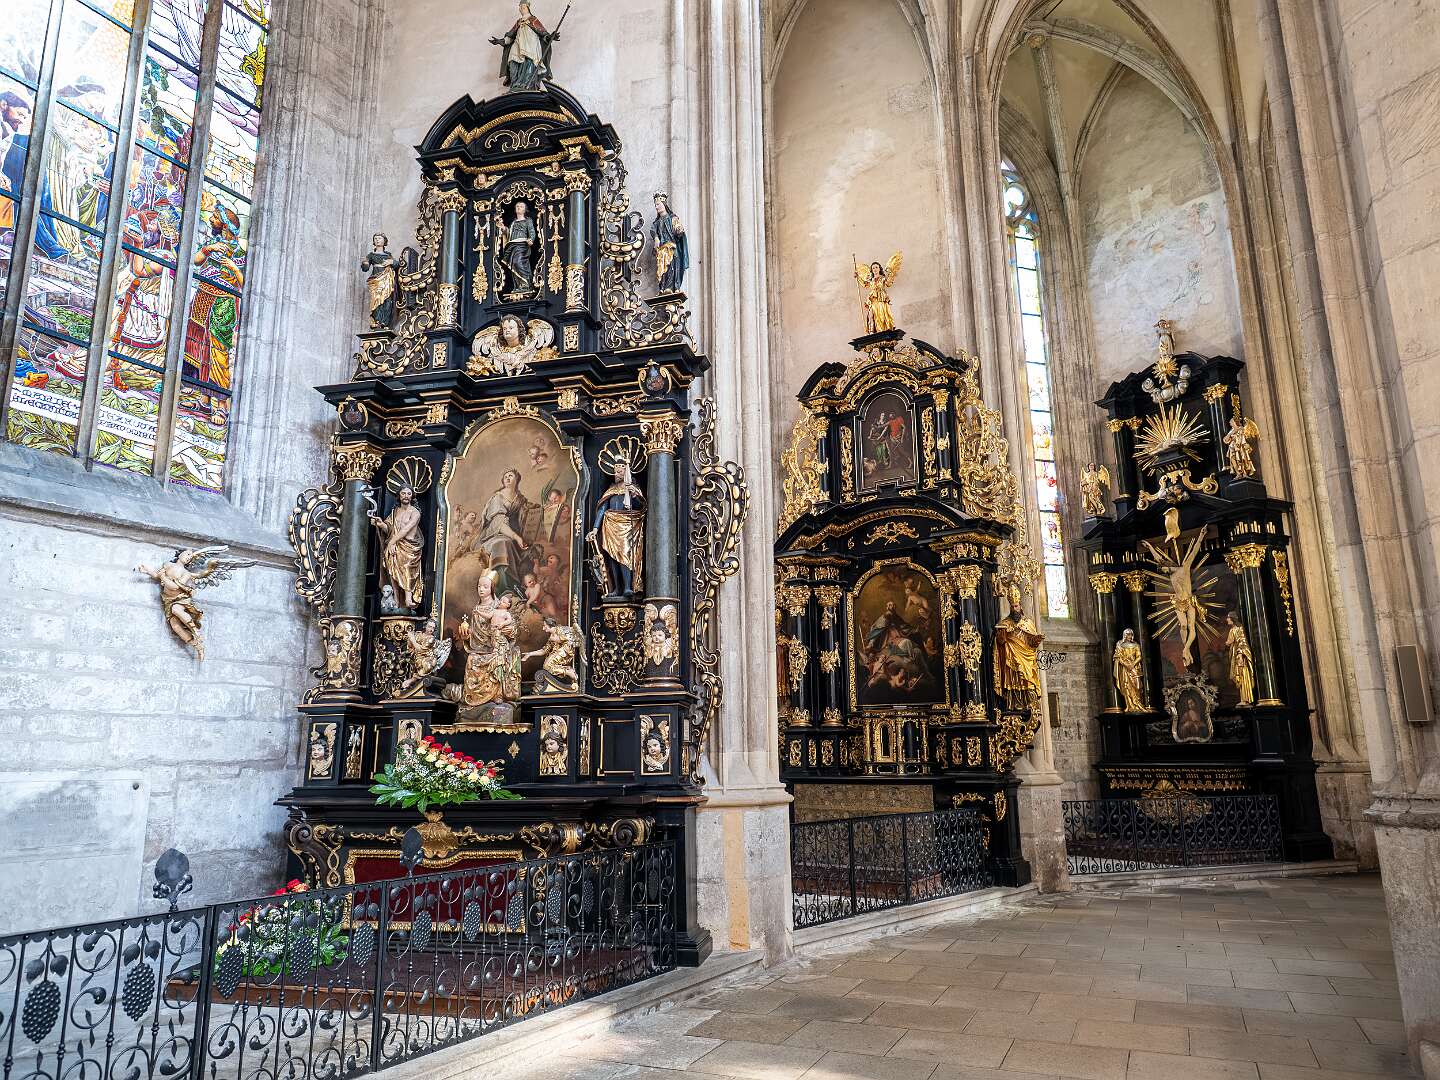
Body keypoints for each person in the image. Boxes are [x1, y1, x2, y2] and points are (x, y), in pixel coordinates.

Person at [589, 460, 646, 596]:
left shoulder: (632, 489)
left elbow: (641, 507)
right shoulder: (611, 490)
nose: (616, 474)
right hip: (610, 524)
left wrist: (634, 496)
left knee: (625, 555)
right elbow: (602, 509)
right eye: (615, 472)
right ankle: (616, 589)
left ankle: (628, 587)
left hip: (626, 524)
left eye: (619, 472)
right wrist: (595, 529)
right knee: (612, 556)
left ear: (626, 473)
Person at [477, 468, 533, 594]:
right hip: (496, 533)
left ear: (517, 479)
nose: (507, 478)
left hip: (517, 534)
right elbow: (499, 523)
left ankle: (520, 587)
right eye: (505, 476)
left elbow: (526, 515)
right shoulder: (498, 498)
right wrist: (516, 537)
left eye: (510, 475)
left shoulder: (520, 499)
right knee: (502, 544)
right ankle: (503, 587)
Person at [370, 486, 424, 611]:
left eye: (409, 493)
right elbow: (389, 529)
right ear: (399, 495)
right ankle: (396, 599)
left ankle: (408, 599)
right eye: (403, 493)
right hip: (394, 545)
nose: (406, 496)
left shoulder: (415, 512)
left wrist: (391, 543)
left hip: (410, 546)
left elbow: (406, 529)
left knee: (407, 568)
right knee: (392, 569)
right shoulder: (395, 512)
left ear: (412, 496)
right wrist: (381, 524)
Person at [491, 1, 559, 92]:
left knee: (529, 63)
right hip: (518, 45)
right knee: (512, 62)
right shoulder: (518, 22)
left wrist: (551, 37)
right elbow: (510, 37)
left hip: (530, 46)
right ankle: (515, 84)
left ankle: (526, 85)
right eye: (520, 7)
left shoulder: (533, 20)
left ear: (528, 8)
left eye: (523, 7)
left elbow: (543, 34)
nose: (521, 9)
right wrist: (500, 41)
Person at [651, 192, 689, 292]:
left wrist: (679, 231)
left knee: (673, 266)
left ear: (664, 204)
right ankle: (663, 287)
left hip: (672, 247)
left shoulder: (673, 218)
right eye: (655, 205)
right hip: (662, 250)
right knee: (662, 268)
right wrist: (656, 238)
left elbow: (678, 230)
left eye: (658, 204)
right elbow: (653, 230)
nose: (656, 207)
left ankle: (674, 287)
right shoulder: (656, 223)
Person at [501, 200, 538, 295]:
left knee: (518, 262)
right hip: (512, 245)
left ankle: (526, 284)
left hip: (522, 245)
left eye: (521, 206)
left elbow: (532, 231)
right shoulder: (513, 222)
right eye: (517, 206)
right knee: (513, 264)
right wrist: (504, 229)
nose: (519, 207)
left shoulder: (528, 220)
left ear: (525, 210)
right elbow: (509, 234)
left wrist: (531, 239)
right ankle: (518, 286)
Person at [1226, 612, 1256, 706]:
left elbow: (1242, 642)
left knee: (1242, 675)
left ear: (1232, 618)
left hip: (1240, 656)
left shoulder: (1239, 629)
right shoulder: (1232, 630)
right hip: (1235, 656)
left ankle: (1245, 698)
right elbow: (1229, 642)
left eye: (1228, 618)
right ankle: (1243, 698)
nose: (1227, 619)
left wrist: (1240, 653)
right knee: (1238, 676)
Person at [1113, 628, 1146, 712]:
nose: (1129, 636)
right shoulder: (1120, 645)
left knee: (1137, 686)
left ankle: (1138, 704)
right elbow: (1117, 657)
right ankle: (1129, 705)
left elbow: (1139, 656)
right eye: (1127, 634)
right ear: (1124, 635)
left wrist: (1132, 664)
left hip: (1134, 668)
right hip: (1125, 669)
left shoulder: (1136, 645)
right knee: (1126, 686)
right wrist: (1126, 664)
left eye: (1131, 634)